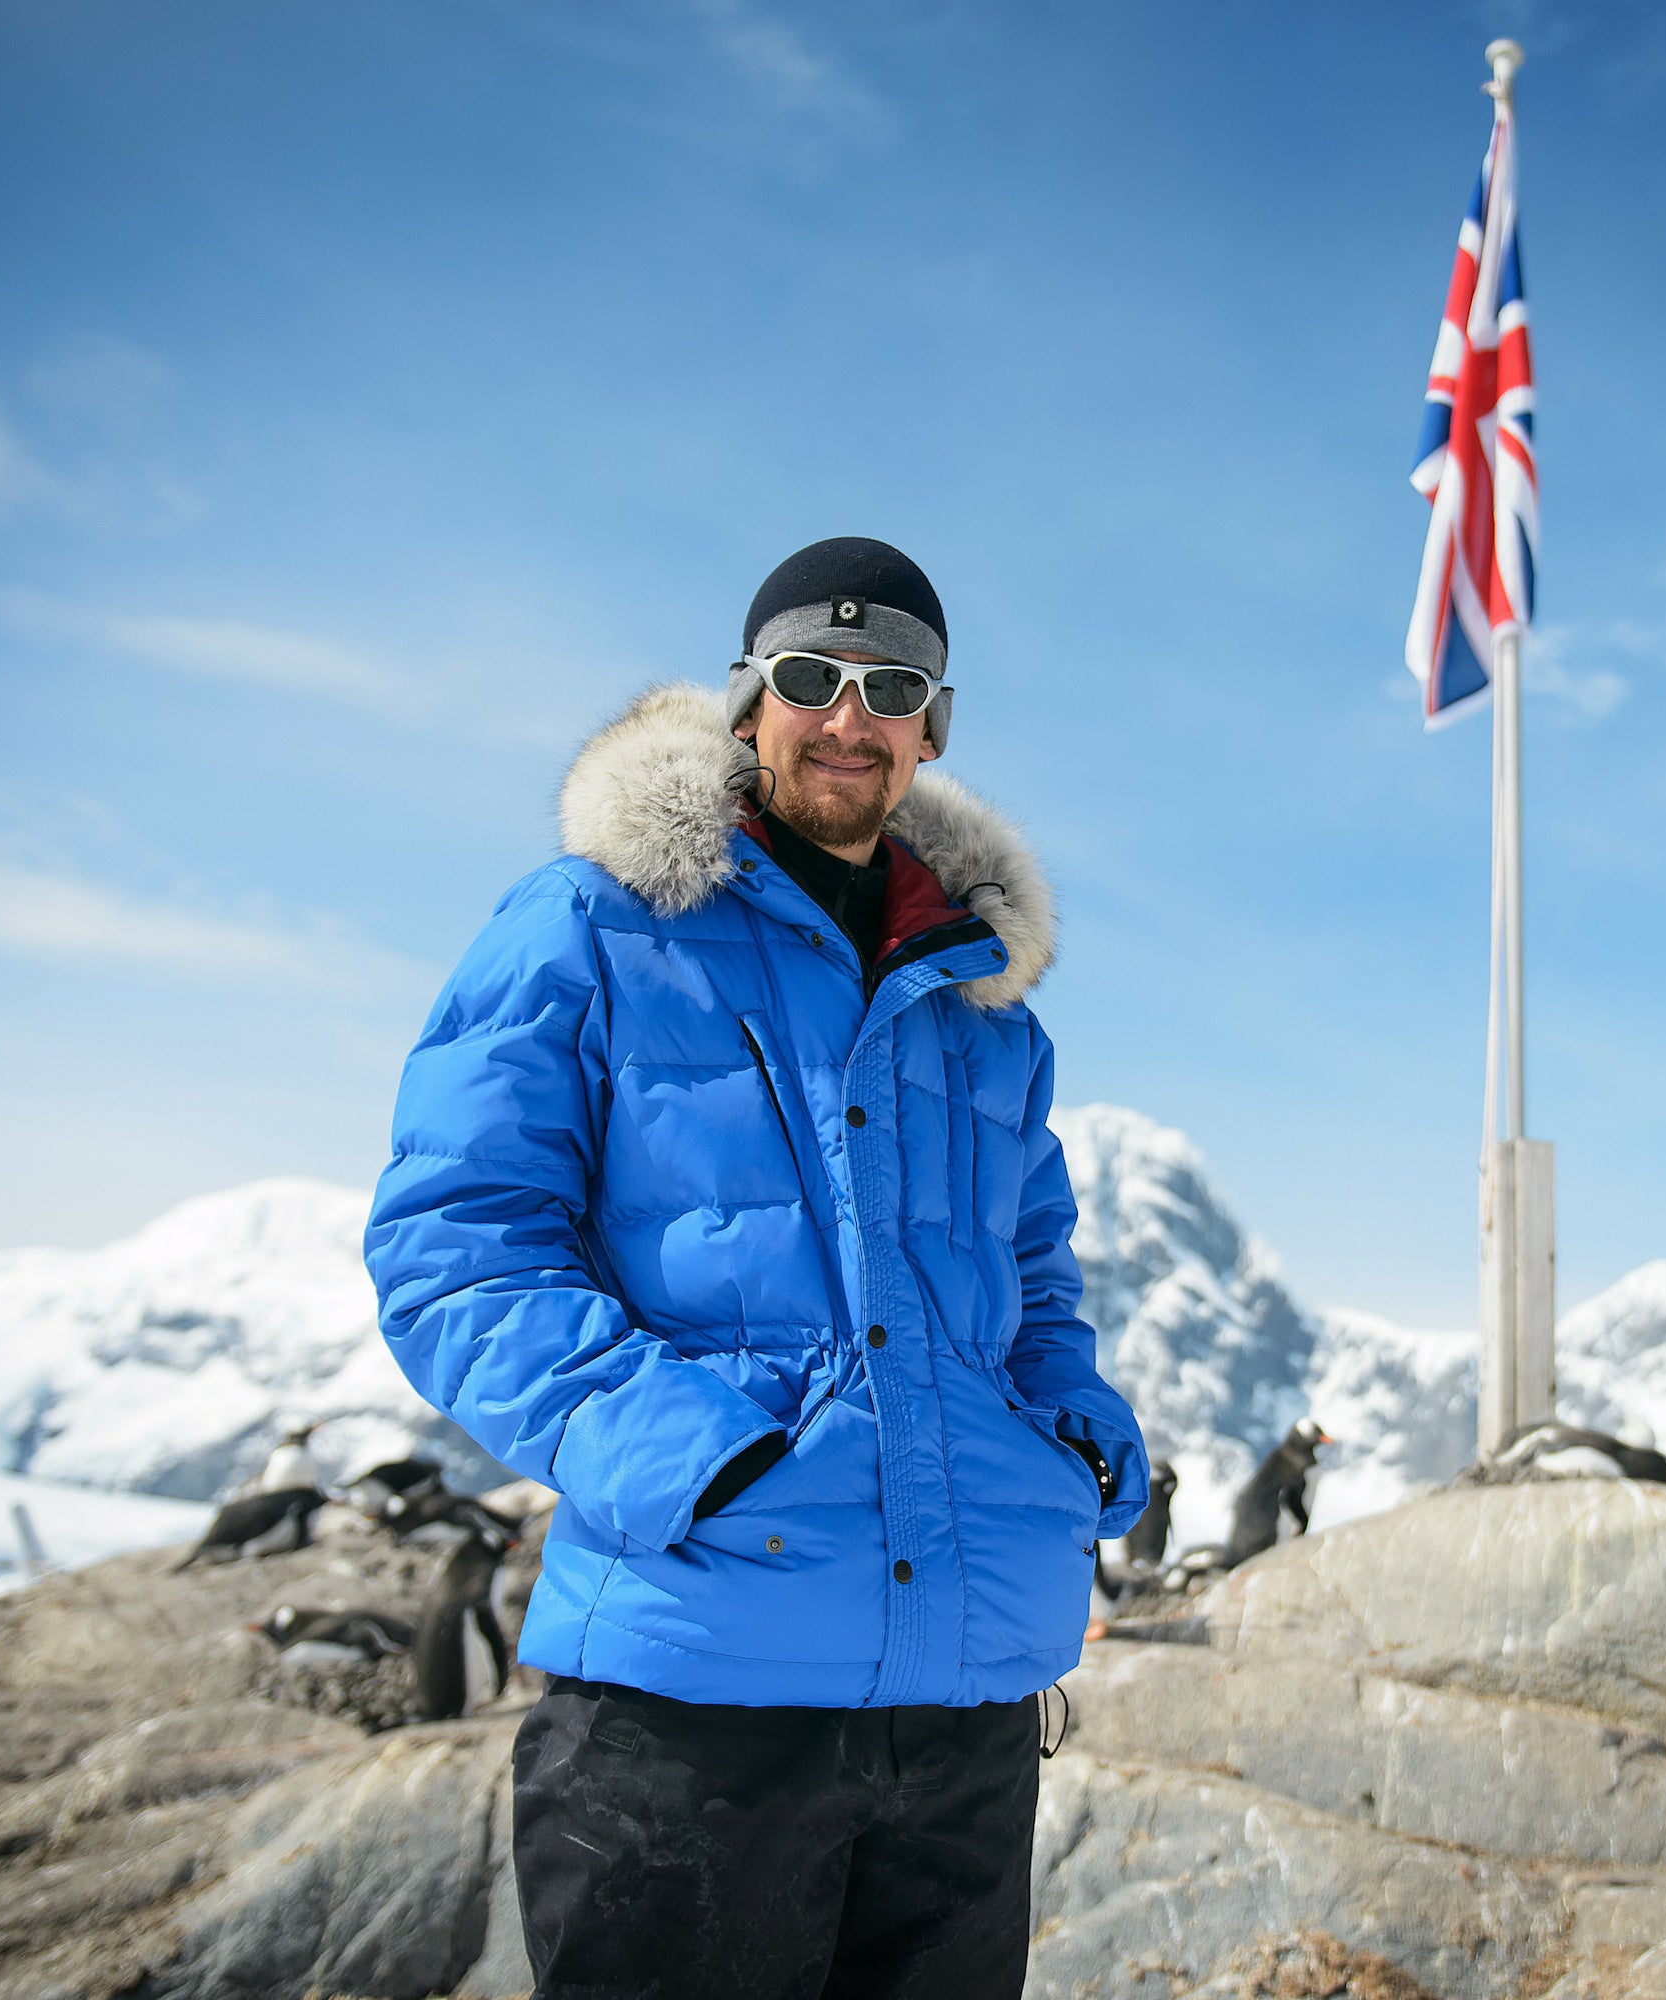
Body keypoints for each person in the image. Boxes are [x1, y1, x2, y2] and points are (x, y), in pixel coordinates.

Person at [366, 536, 1147, 2000]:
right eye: (811, 677)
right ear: (748, 697)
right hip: (696, 1691)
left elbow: (1034, 1275)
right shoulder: (592, 923)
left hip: (965, 1708)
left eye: (891, 686)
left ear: (933, 724)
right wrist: (695, 1461)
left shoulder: (985, 1011)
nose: (848, 717)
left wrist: (1068, 1435)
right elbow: (456, 1245)